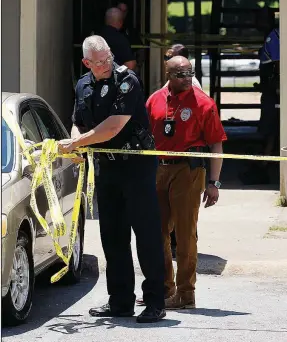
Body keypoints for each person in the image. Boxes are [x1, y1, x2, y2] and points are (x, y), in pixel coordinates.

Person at [58, 35, 166, 323]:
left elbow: (113, 127)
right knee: (113, 236)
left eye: (108, 58)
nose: (106, 64)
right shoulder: (83, 84)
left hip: (136, 166)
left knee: (146, 235)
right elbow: (78, 122)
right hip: (107, 168)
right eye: (100, 61)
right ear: (86, 62)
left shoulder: (126, 80)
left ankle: (155, 301)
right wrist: (74, 143)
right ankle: (120, 301)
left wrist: (79, 143)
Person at [146, 56, 227, 309]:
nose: (187, 78)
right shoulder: (154, 100)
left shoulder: (204, 104)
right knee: (156, 233)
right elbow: (145, 137)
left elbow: (216, 143)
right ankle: (163, 289)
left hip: (188, 171)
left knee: (185, 234)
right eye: (181, 74)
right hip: (158, 169)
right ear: (168, 75)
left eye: (190, 73)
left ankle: (186, 293)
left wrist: (214, 182)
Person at [163, 44, 202, 258]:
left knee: (186, 214)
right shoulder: (170, 84)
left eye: (171, 57)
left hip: (187, 161)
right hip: (168, 161)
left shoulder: (189, 85)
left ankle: (185, 251)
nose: (166, 60)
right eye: (166, 57)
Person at [240, 7, 280, 185]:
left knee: (271, 129)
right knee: (269, 130)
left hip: (276, 93)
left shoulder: (276, 35)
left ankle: (265, 165)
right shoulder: (272, 36)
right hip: (271, 90)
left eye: (261, 19)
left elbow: (279, 66)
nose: (257, 23)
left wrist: (278, 91)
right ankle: (265, 163)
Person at [114, 0, 145, 73]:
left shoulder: (130, 30)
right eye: (120, 10)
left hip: (125, 71)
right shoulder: (104, 29)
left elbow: (140, 49)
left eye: (125, 11)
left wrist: (138, 66)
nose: (122, 13)